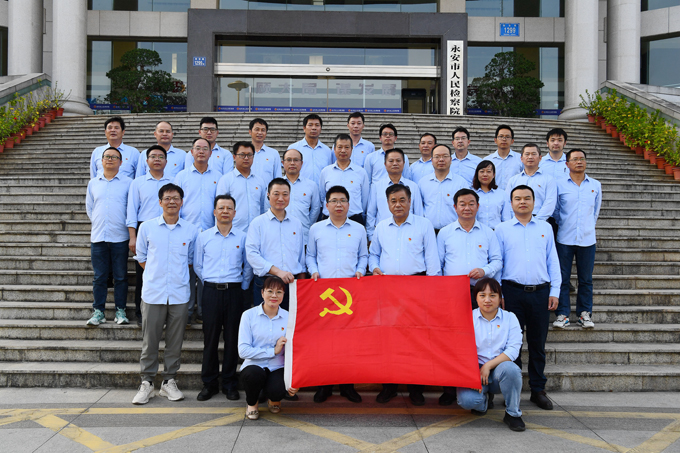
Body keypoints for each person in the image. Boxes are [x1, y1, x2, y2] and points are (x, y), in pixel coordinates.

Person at [369, 184, 441, 405]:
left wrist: (432, 291)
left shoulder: (424, 225)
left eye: (402, 200)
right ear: (387, 203)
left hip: (416, 286)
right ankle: (389, 386)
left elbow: (432, 260)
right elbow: (373, 255)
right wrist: (375, 268)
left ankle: (415, 388)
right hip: (388, 288)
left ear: (410, 201)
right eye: (393, 201)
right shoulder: (381, 227)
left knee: (416, 340)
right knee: (388, 339)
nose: (398, 205)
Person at [132, 183, 200, 405]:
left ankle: (169, 381)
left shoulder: (191, 230)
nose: (172, 201)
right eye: (168, 198)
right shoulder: (147, 227)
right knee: (149, 341)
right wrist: (157, 274)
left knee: (175, 341)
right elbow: (142, 257)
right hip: (153, 293)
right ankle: (147, 382)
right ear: (160, 202)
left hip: (179, 294)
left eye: (176, 198)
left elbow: (191, 261)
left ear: (182, 202)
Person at [495, 185, 561, 411]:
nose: (522, 202)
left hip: (540, 293)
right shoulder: (502, 229)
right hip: (512, 292)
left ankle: (538, 390)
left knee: (537, 343)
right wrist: (500, 294)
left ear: (534, 202)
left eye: (527, 198)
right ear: (511, 203)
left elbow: (553, 260)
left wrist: (555, 290)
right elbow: (498, 263)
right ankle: (512, 390)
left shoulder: (545, 228)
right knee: (512, 344)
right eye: (517, 199)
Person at [435, 188, 502, 406]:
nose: (467, 208)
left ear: (478, 206)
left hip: (480, 294)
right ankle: (449, 388)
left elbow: (497, 260)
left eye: (471, 203)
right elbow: (438, 265)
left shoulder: (488, 233)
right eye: (462, 204)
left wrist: (484, 271)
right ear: (455, 207)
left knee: (478, 339)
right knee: (450, 341)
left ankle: (483, 386)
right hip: (452, 294)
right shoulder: (445, 233)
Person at [307, 185, 367, 404]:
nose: (338, 204)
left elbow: (363, 256)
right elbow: (310, 256)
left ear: (349, 205)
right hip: (325, 292)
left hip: (351, 293)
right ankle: (324, 385)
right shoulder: (316, 229)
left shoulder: (359, 229)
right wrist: (314, 271)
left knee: (348, 342)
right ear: (326, 205)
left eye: (342, 200)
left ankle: (347, 386)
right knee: (325, 342)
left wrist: (360, 270)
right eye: (334, 200)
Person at [194, 195, 253, 402]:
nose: (225, 211)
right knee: (210, 339)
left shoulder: (243, 237)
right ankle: (209, 384)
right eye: (221, 208)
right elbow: (198, 265)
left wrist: (242, 287)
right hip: (211, 292)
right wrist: (209, 283)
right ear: (214, 212)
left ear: (235, 213)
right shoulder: (204, 237)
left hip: (234, 292)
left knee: (232, 339)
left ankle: (229, 384)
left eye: (229, 208)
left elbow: (248, 266)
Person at [456, 277, 525, 432]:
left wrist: (488, 366)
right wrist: (472, 372)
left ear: (500, 298)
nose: (487, 300)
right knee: (467, 401)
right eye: (482, 295)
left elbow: (514, 349)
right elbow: (459, 349)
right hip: (473, 369)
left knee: (512, 369)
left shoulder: (510, 318)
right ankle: (483, 403)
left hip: (499, 368)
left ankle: (512, 413)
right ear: (476, 298)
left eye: (493, 295)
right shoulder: (467, 317)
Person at [174, 137, 223, 326]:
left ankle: (203, 310)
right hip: (187, 231)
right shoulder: (182, 176)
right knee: (186, 273)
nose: (201, 151)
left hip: (210, 232)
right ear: (192, 152)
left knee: (205, 273)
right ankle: (186, 311)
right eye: (197, 148)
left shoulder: (218, 176)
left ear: (211, 153)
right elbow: (176, 203)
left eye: (205, 148)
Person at [553, 149, 602, 330]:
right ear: (567, 164)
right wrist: (566, 224)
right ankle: (563, 314)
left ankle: (584, 314)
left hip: (587, 240)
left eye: (582, 159)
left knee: (586, 279)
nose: (579, 162)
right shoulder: (559, 184)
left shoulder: (595, 185)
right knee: (563, 279)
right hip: (564, 238)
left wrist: (586, 227)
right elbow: (556, 211)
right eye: (575, 159)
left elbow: (595, 211)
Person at [238, 276, 298, 420]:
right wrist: (273, 351)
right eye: (270, 291)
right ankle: (252, 403)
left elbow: (297, 349)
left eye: (279, 292)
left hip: (278, 365)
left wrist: (297, 380)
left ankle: (274, 399)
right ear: (262, 292)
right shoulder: (248, 315)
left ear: (284, 295)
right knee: (253, 375)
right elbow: (243, 351)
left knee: (278, 388)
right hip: (254, 365)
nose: (274, 295)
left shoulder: (290, 317)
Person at [86, 147, 133, 326]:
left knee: (120, 276)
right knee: (99, 277)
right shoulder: (93, 183)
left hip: (120, 236)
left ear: (121, 162)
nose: (110, 159)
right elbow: (90, 208)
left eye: (114, 157)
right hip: (98, 236)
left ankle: (120, 310)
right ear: (101, 161)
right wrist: (100, 223)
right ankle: (98, 311)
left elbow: (131, 208)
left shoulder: (128, 183)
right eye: (106, 156)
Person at [127, 145, 172, 326]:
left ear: (166, 161)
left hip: (169, 227)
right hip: (144, 228)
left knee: (167, 270)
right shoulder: (138, 183)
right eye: (153, 156)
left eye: (161, 156)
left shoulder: (173, 181)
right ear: (146, 161)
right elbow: (132, 210)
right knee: (143, 272)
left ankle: (167, 313)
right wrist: (133, 236)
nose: (157, 159)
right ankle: (141, 313)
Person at [246, 178, 306, 311]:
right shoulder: (258, 223)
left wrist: (301, 284)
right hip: (266, 282)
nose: (280, 198)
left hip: (291, 284)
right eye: (276, 194)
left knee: (290, 321)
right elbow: (252, 254)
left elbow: (301, 257)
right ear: (268, 195)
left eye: (285, 194)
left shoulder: (296, 223)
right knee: (265, 320)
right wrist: (278, 272)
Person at [366, 149, 423, 241]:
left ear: (404, 163)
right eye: (391, 161)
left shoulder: (413, 186)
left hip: (409, 233)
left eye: (398, 160)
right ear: (385, 164)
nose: (395, 164)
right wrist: (371, 236)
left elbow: (418, 213)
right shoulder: (377, 186)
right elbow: (371, 213)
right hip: (384, 233)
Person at [318, 134, 370, 225]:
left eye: (347, 147)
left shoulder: (361, 172)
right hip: (329, 219)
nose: (343, 150)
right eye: (340, 147)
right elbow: (322, 196)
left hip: (354, 219)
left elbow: (364, 199)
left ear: (352, 149)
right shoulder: (326, 172)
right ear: (334, 149)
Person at [216, 141, 266, 234]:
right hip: (233, 232)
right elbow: (220, 207)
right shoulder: (226, 180)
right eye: (242, 155)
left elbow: (263, 207)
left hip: (256, 232)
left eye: (249, 155)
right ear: (234, 157)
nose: (246, 158)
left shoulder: (260, 181)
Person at [418, 144, 469, 234]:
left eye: (445, 156)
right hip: (428, 232)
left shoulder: (461, 183)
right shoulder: (423, 182)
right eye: (437, 157)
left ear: (451, 160)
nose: (441, 159)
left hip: (454, 232)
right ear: (432, 160)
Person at [278, 148, 321, 245]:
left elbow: (315, 209)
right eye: (289, 160)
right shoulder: (275, 185)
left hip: (303, 235)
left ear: (301, 163)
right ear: (283, 163)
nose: (292, 163)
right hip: (279, 234)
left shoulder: (311, 185)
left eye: (296, 160)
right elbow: (268, 206)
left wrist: (307, 223)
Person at [505, 144, 557, 221]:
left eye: (533, 154)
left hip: (541, 221)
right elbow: (508, 202)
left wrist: (537, 221)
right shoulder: (513, 180)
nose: (530, 157)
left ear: (540, 158)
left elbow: (550, 203)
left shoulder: (548, 179)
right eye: (527, 154)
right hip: (516, 220)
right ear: (521, 158)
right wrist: (516, 219)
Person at [289, 114, 332, 183]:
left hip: (321, 189)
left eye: (317, 125)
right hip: (300, 188)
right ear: (304, 128)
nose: (314, 128)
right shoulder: (293, 148)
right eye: (310, 125)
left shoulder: (327, 151)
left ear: (321, 129)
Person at [473, 160, 512, 230]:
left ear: (493, 175)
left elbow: (506, 218)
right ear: (477, 174)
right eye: (482, 171)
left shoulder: (502, 194)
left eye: (488, 171)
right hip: (477, 231)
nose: (485, 174)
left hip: (496, 232)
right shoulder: (471, 194)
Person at [483, 125, 523, 191]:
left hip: (515, 196)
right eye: (501, 136)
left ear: (512, 141)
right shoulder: (487, 160)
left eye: (507, 137)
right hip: (494, 195)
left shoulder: (521, 159)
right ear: (495, 140)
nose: (504, 139)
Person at [249, 118, 282, 187]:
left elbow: (278, 177)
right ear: (250, 132)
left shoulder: (274, 153)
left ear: (266, 133)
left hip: (267, 192)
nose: (260, 132)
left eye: (263, 130)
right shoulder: (244, 153)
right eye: (257, 129)